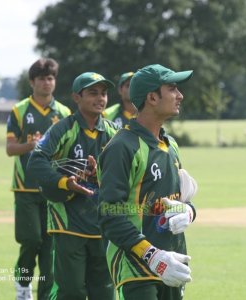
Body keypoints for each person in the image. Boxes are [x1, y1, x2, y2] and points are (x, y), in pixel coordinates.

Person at [97, 64, 198, 300]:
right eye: (172, 88)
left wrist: (190, 212)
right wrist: (152, 256)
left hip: (173, 262)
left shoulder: (170, 144)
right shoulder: (122, 147)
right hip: (136, 267)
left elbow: (181, 200)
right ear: (152, 97)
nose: (180, 95)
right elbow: (109, 214)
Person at [27, 72, 118, 300]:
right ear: (76, 97)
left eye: (104, 93)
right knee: (71, 291)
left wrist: (101, 176)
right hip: (67, 223)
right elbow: (36, 162)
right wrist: (64, 183)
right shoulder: (62, 129)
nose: (100, 98)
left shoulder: (112, 133)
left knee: (105, 291)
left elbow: (124, 172)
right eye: (93, 93)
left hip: (102, 223)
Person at [6, 58, 71, 300]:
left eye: (51, 78)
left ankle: (46, 295)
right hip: (25, 189)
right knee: (31, 241)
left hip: (53, 189)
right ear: (32, 82)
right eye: (42, 78)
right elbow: (10, 149)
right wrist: (30, 145)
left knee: (50, 247)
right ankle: (23, 287)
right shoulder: (20, 110)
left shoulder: (64, 113)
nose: (47, 82)